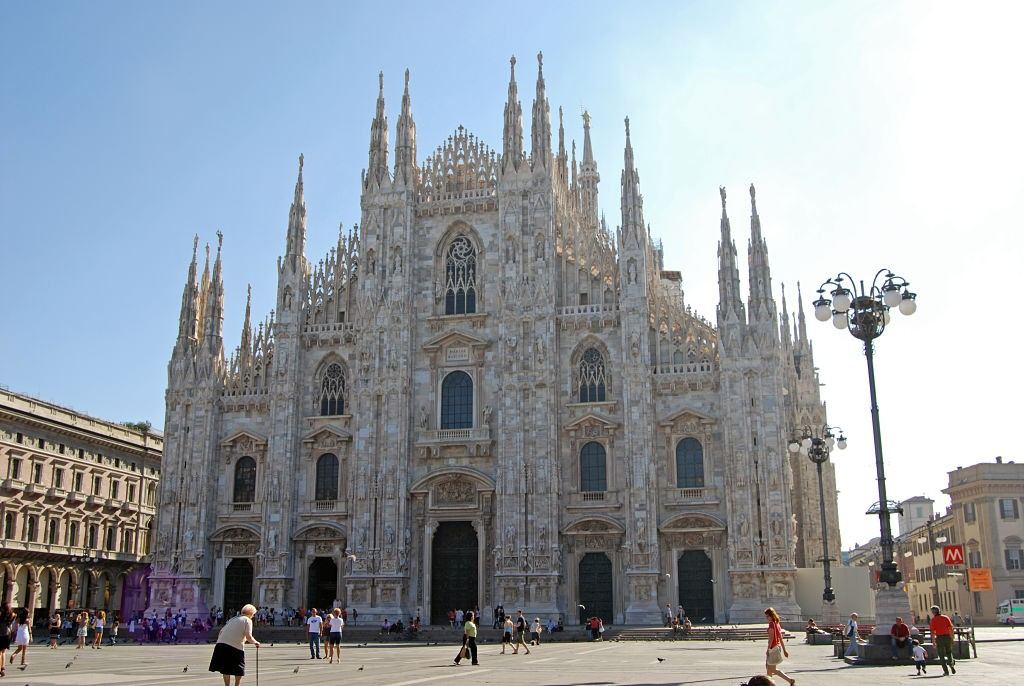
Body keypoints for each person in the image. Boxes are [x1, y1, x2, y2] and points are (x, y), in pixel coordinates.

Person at [208, 603, 260, 686]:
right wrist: (256, 642)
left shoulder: (233, 619)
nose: (253, 616)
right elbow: (248, 636)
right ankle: (237, 685)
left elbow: (221, 631)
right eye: (253, 614)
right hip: (235, 646)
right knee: (239, 668)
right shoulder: (247, 620)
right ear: (250, 613)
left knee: (225, 668)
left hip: (220, 645)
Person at [764, 607, 795, 686]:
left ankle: (790, 680)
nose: (766, 618)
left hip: (773, 648)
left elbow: (771, 638)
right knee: (769, 669)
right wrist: (784, 650)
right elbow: (780, 638)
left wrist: (768, 649)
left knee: (772, 669)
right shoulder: (777, 624)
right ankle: (769, 684)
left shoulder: (771, 624)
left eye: (767, 616)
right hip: (778, 647)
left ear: (771, 615)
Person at [929, 605, 956, 675]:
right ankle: (951, 665)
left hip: (939, 638)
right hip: (947, 637)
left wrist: (934, 642)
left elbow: (932, 632)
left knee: (941, 655)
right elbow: (951, 629)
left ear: (933, 612)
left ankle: (946, 671)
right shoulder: (945, 617)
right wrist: (952, 638)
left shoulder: (933, 620)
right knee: (949, 652)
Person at [0, 602, 14, 677]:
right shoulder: (12, 615)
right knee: (3, 652)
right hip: (7, 635)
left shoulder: (1, 615)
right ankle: (2, 668)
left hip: (1, 634)